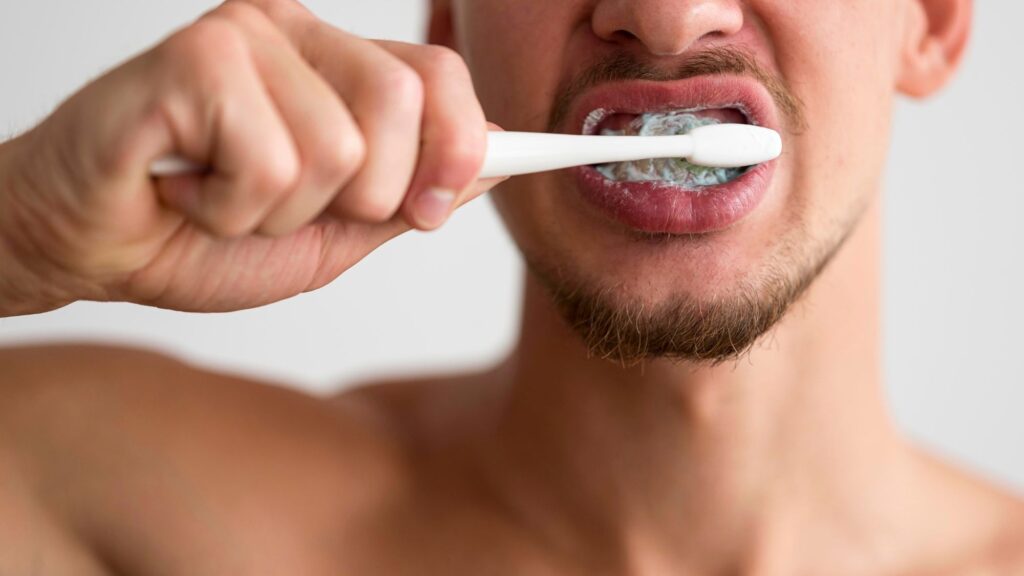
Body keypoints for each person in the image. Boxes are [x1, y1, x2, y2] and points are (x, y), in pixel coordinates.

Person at [0, 0, 1020, 573]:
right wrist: (20, 236)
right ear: (451, 26)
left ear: (927, 20)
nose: (664, 18)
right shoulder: (104, 499)